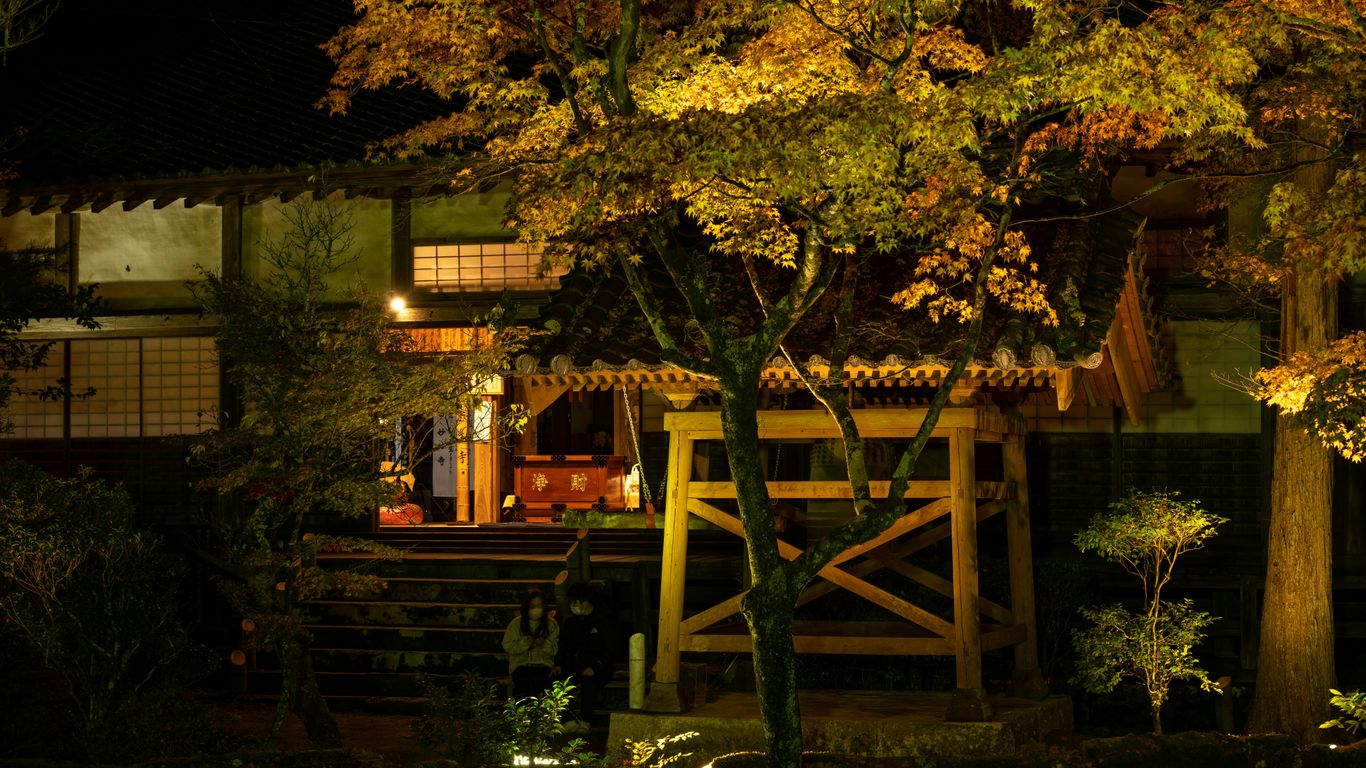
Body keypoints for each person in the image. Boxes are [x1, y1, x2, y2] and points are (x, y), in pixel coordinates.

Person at [552, 581, 615, 733]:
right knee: (558, 681)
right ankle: (566, 719)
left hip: (597, 667)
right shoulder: (571, 622)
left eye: (581, 601)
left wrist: (595, 666)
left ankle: (585, 721)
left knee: (589, 683)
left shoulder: (602, 621)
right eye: (574, 602)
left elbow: (609, 648)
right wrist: (558, 663)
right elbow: (564, 645)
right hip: (575, 665)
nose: (577, 605)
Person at [503, 588, 558, 699]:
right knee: (523, 688)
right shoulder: (516, 624)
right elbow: (507, 645)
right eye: (533, 606)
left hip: (544, 666)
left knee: (543, 685)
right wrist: (524, 643)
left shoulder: (551, 624)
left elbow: (555, 649)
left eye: (539, 606)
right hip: (521, 666)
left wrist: (544, 644)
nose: (536, 610)